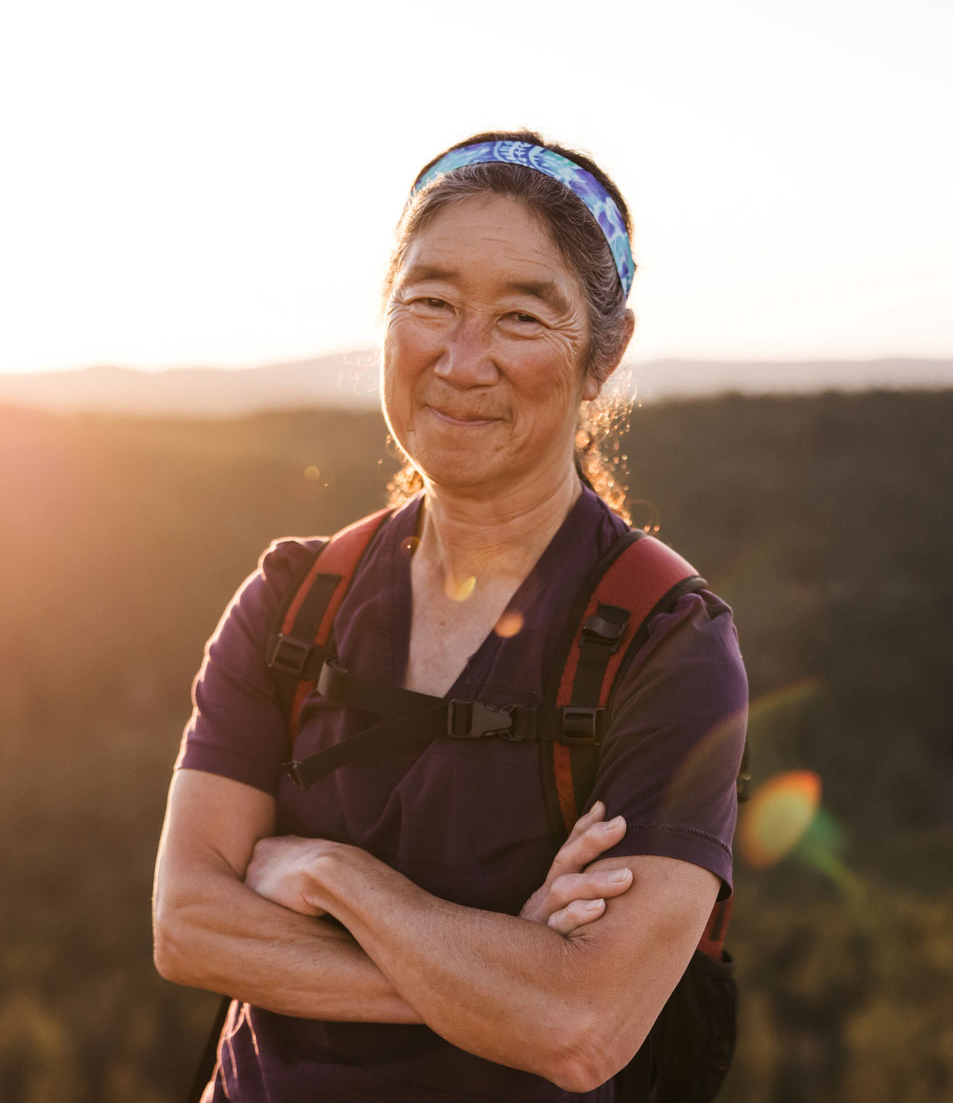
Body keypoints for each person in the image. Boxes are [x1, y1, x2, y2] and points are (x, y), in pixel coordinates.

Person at [152, 130, 748, 1101]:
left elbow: (584, 1029)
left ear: (605, 355)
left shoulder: (665, 642)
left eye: (522, 317)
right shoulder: (293, 600)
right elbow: (186, 927)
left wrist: (338, 879)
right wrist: (508, 967)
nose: (463, 360)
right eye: (430, 303)